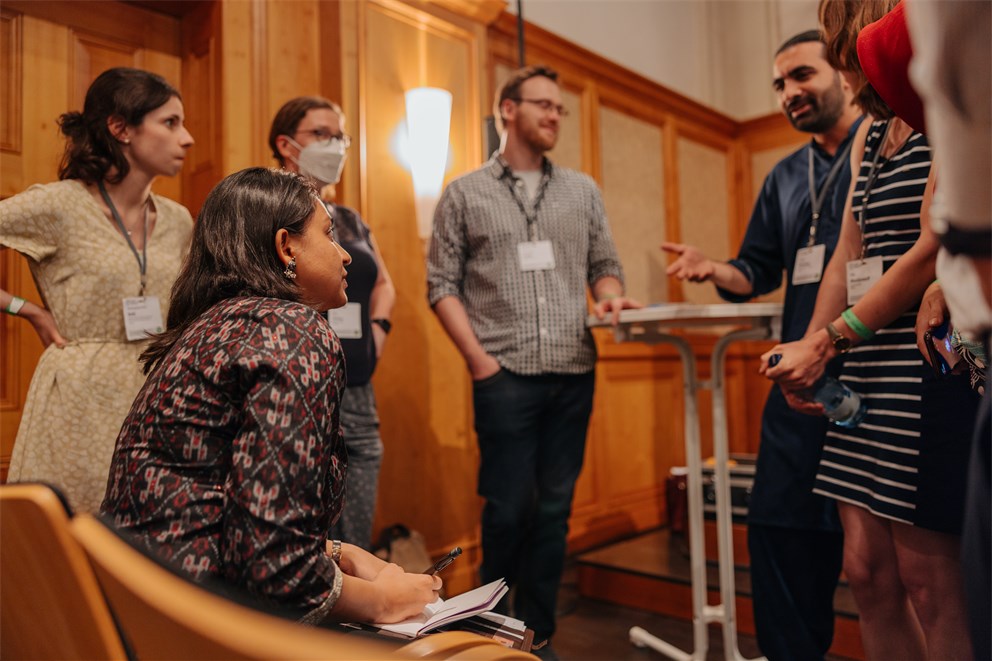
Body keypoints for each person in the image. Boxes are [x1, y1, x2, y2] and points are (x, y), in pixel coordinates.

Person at [102, 167, 439, 625]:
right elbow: (272, 568)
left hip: (141, 608)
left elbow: (214, 510)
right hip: (198, 624)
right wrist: (384, 600)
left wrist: (338, 552)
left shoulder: (214, 325)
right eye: (328, 235)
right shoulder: (292, 331)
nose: (345, 255)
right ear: (286, 247)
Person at [760, 1, 978, 658]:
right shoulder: (867, 135)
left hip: (924, 361)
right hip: (864, 361)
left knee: (929, 582)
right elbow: (847, 254)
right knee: (867, 572)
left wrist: (830, 339)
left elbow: (930, 248)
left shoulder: (938, 105)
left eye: (845, 53)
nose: (845, 72)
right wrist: (812, 346)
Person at [426, 65, 640, 653]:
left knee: (553, 511)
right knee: (507, 510)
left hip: (573, 371)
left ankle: (537, 633)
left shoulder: (582, 190)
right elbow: (441, 284)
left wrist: (610, 296)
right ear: (508, 109)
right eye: (543, 104)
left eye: (559, 108)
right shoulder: (464, 192)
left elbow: (605, 266)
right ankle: (489, 633)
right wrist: (479, 362)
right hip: (504, 376)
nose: (554, 115)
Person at [662, 30, 862, 660]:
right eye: (779, 84)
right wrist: (714, 269)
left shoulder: (885, 146)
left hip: (879, 377)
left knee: (882, 558)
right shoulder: (785, 176)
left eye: (801, 75)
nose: (788, 93)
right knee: (777, 529)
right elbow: (756, 270)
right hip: (803, 385)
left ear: (844, 74)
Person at [0, 67, 194, 514]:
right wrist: (26, 309)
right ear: (121, 128)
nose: (187, 139)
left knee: (144, 535)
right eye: (170, 123)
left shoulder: (179, 219)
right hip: (78, 401)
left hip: (156, 391)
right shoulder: (60, 204)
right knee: (75, 534)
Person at [269, 96, 395, 550]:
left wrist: (378, 332)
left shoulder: (351, 220)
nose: (334, 145)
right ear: (286, 144)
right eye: (321, 134)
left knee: (356, 534)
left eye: (339, 136)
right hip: (298, 383)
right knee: (309, 537)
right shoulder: (268, 212)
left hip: (357, 385)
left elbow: (384, 285)